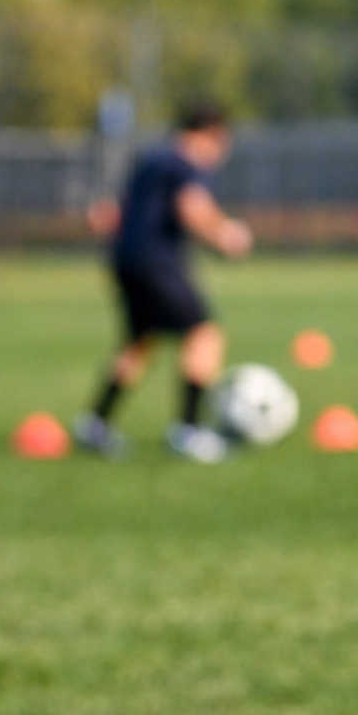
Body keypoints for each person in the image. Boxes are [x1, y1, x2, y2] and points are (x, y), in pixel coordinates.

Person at [74, 102, 254, 463]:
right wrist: (226, 235)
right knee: (204, 335)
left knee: (141, 340)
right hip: (156, 260)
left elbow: (114, 212)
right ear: (211, 135)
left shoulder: (153, 160)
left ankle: (94, 424)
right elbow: (192, 208)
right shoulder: (185, 164)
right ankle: (189, 431)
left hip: (125, 258)